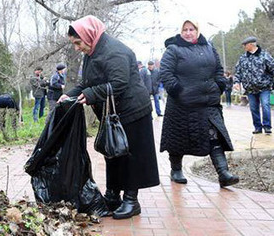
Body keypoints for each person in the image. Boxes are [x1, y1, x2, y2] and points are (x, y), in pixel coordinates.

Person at [59, 15, 159, 219]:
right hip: (113, 112)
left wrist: (90, 95)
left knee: (129, 156)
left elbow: (119, 84)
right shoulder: (92, 51)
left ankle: (131, 200)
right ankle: (113, 196)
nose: (77, 48)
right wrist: (69, 95)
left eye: (78, 43)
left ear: (89, 35)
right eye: (74, 44)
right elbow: (87, 82)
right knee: (112, 152)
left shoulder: (114, 52)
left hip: (132, 111)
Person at [160, 19, 239, 188]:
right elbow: (166, 74)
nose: (188, 33)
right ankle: (176, 170)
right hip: (182, 104)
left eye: (191, 29)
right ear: (181, 32)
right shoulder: (173, 49)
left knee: (214, 135)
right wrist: (178, 91)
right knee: (177, 138)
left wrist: (219, 85)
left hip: (208, 102)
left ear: (197, 30)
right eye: (185, 30)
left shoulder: (209, 47)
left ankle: (223, 173)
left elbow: (218, 69)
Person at [233, 36, 274, 134]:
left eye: (245, 45)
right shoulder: (243, 58)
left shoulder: (265, 56)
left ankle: (267, 126)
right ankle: (258, 127)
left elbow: (273, 69)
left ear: (251, 44)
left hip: (264, 87)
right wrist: (236, 82)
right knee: (253, 108)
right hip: (250, 89)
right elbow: (238, 71)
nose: (244, 47)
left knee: (265, 105)